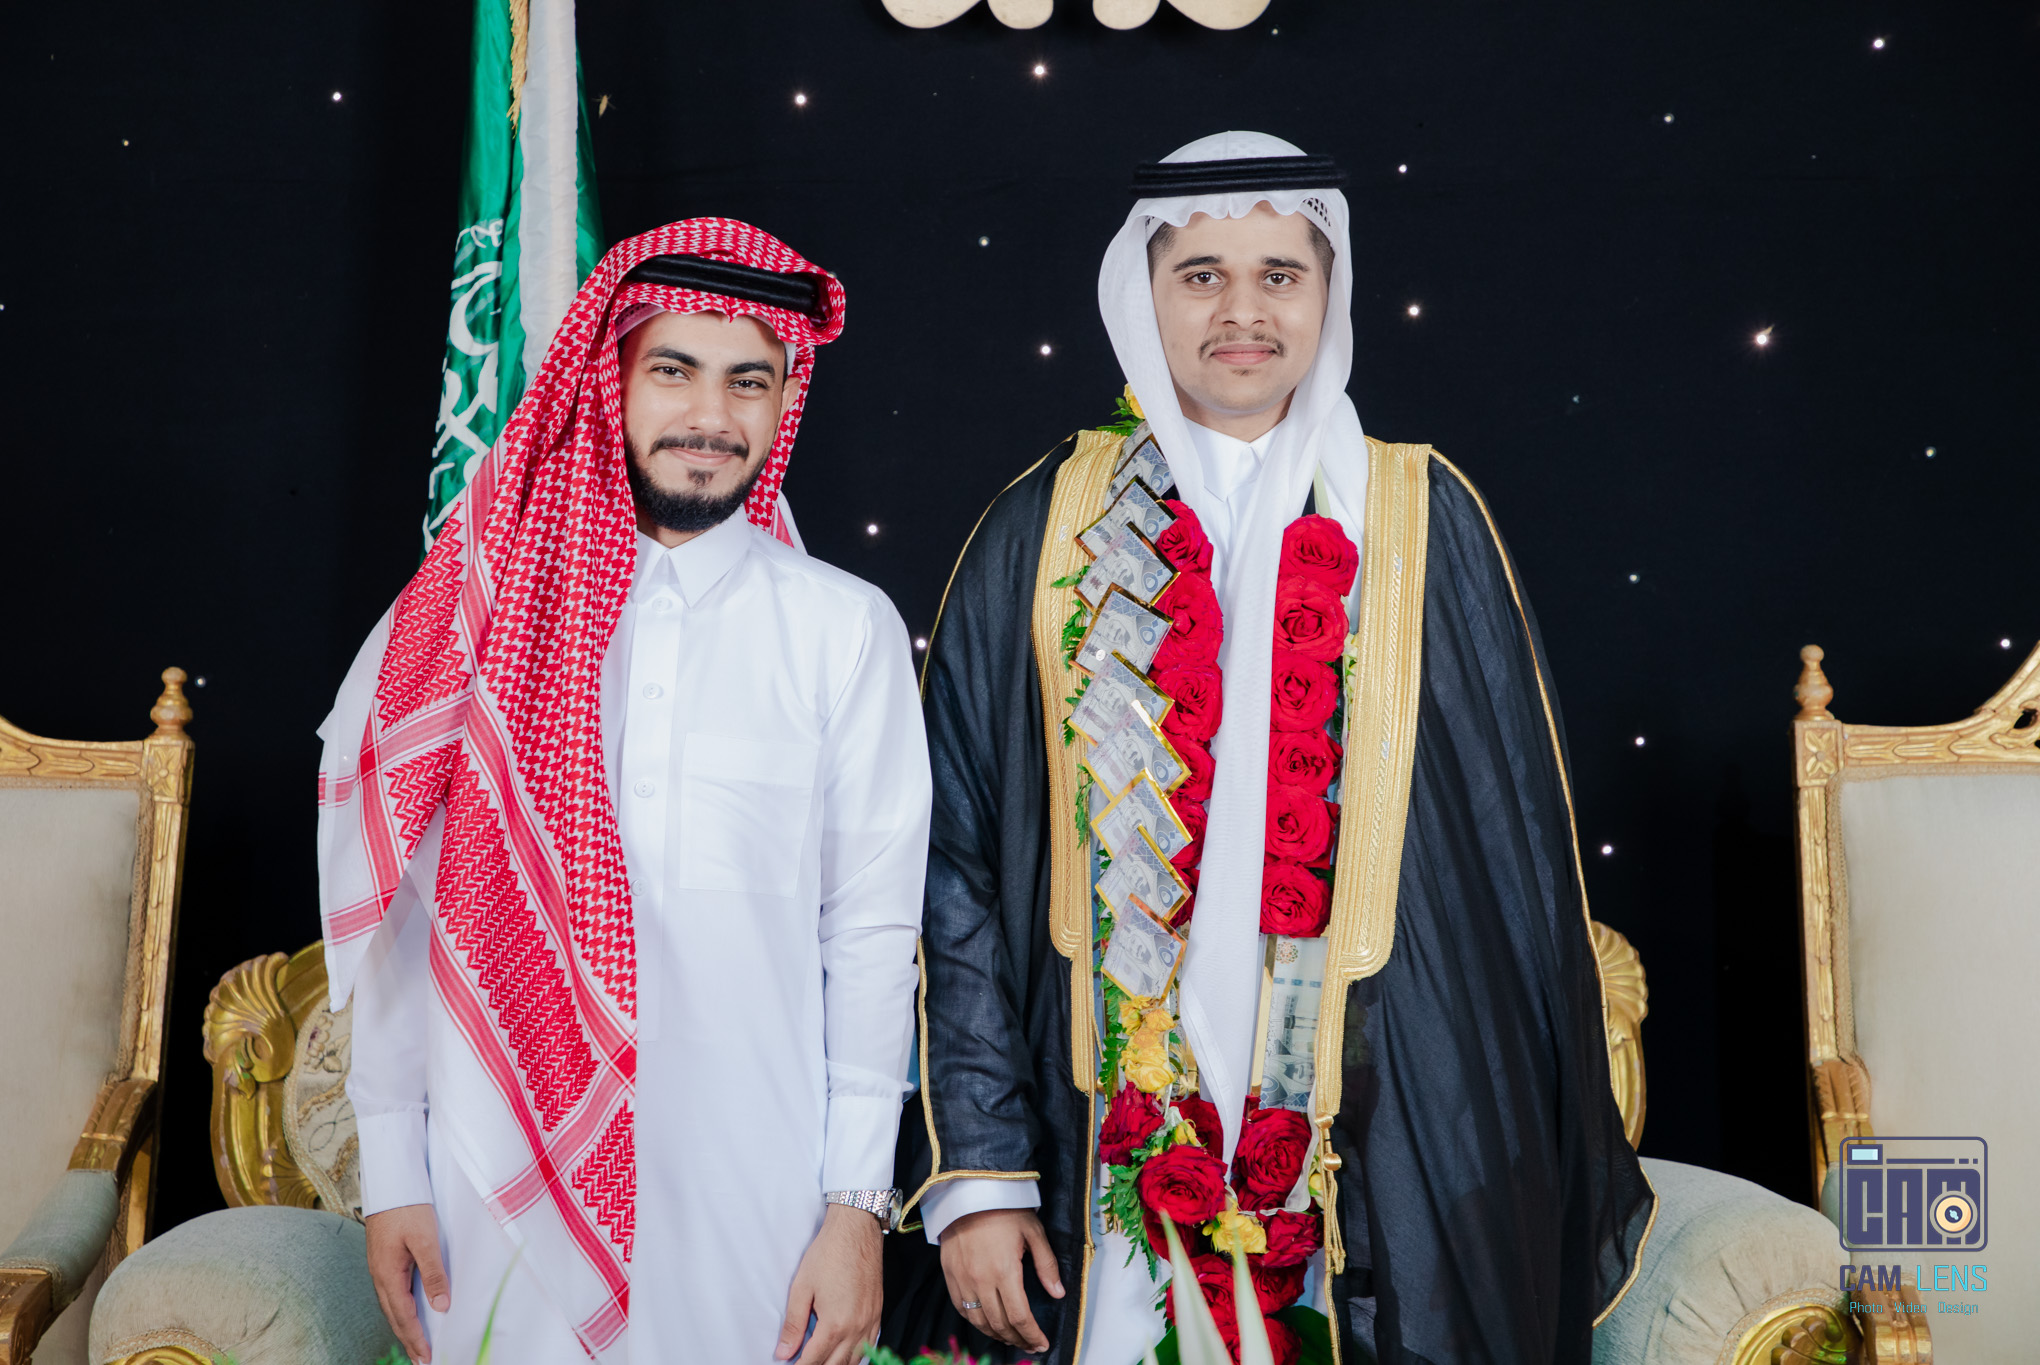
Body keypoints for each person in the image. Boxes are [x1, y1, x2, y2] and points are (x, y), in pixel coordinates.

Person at [886, 134, 1656, 1365]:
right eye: (1200, 276)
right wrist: (979, 1171)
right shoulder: (1042, 527)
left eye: (1277, 275)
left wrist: (1483, 1185)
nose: (1240, 312)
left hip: (1376, 1141)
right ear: (1142, 294)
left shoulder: (1423, 517)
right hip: (1099, 1140)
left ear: (1326, 292)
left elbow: (1510, 880)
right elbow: (953, 864)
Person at [318, 219, 931, 1365]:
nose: (710, 416)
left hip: (755, 1188)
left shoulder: (842, 630)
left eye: (748, 381)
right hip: (494, 1181)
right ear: (608, 381)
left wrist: (856, 1206)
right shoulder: (478, 614)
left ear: (783, 400)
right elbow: (404, 904)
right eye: (673, 371)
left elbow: (870, 932)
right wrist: (391, 1170)